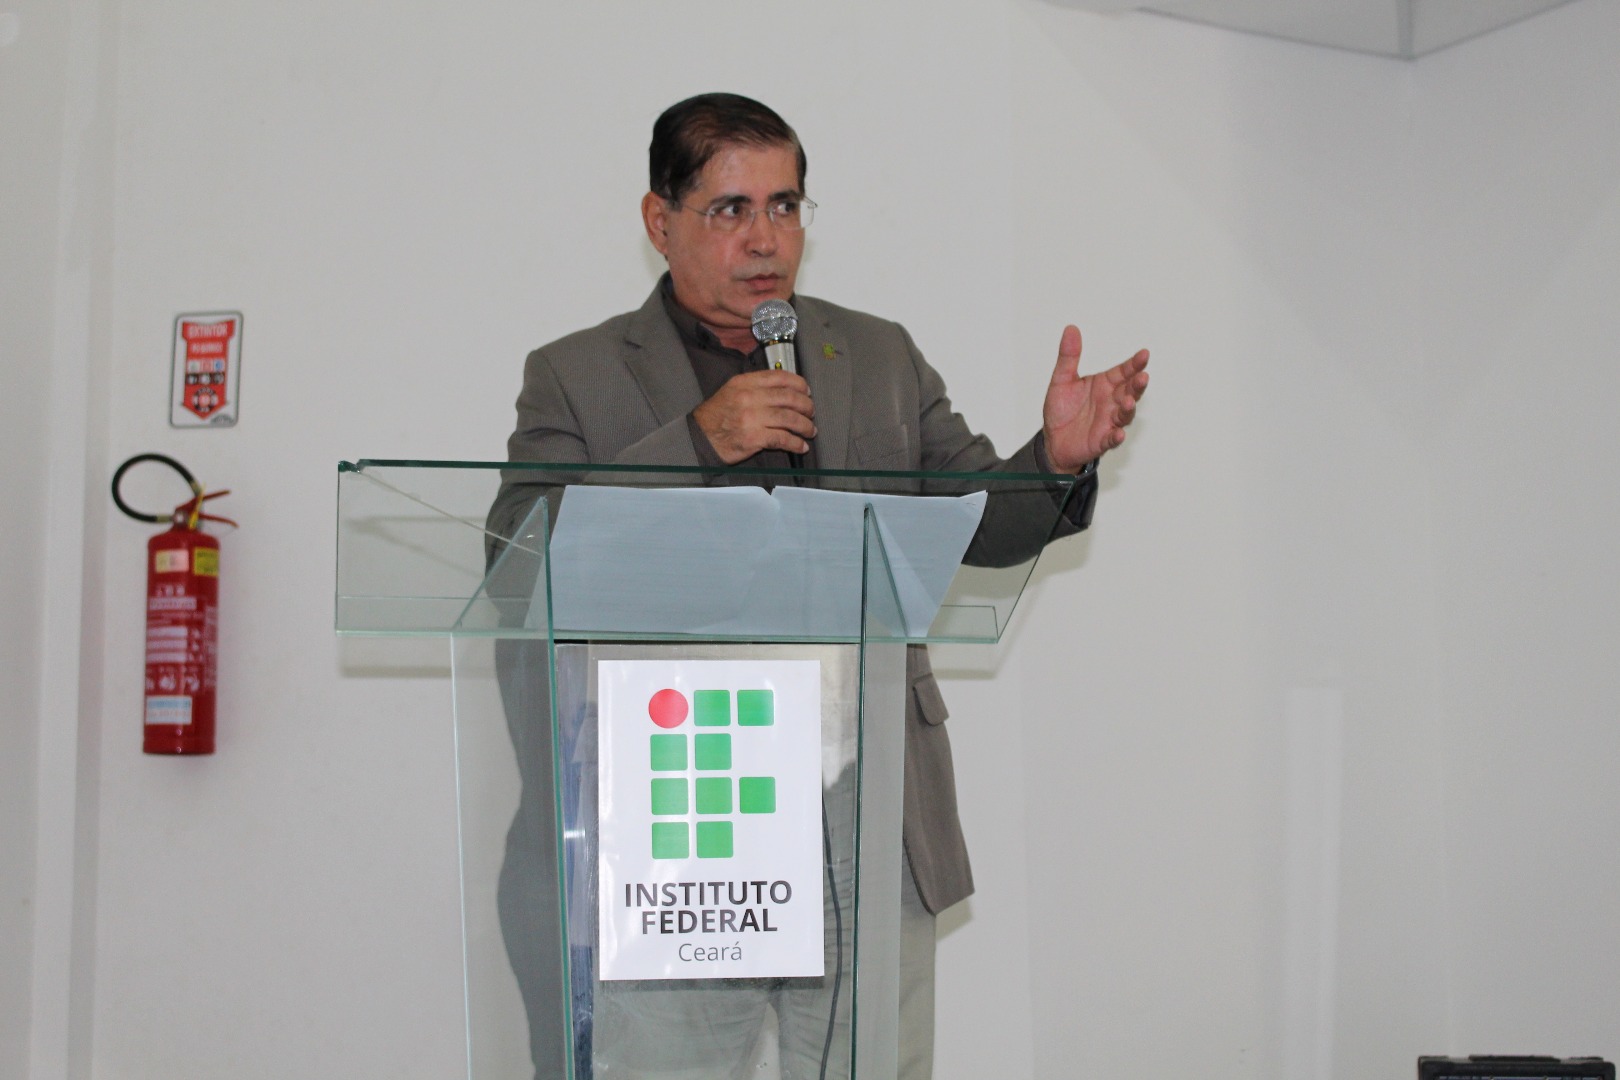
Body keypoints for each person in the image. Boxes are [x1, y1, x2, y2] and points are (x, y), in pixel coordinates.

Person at [488, 92, 1148, 1080]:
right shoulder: (576, 375)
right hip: (679, 812)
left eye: (786, 206)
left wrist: (1051, 462)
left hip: (864, 802)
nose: (765, 239)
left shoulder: (876, 355)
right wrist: (697, 442)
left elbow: (978, 519)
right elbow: (517, 564)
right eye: (731, 209)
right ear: (659, 221)